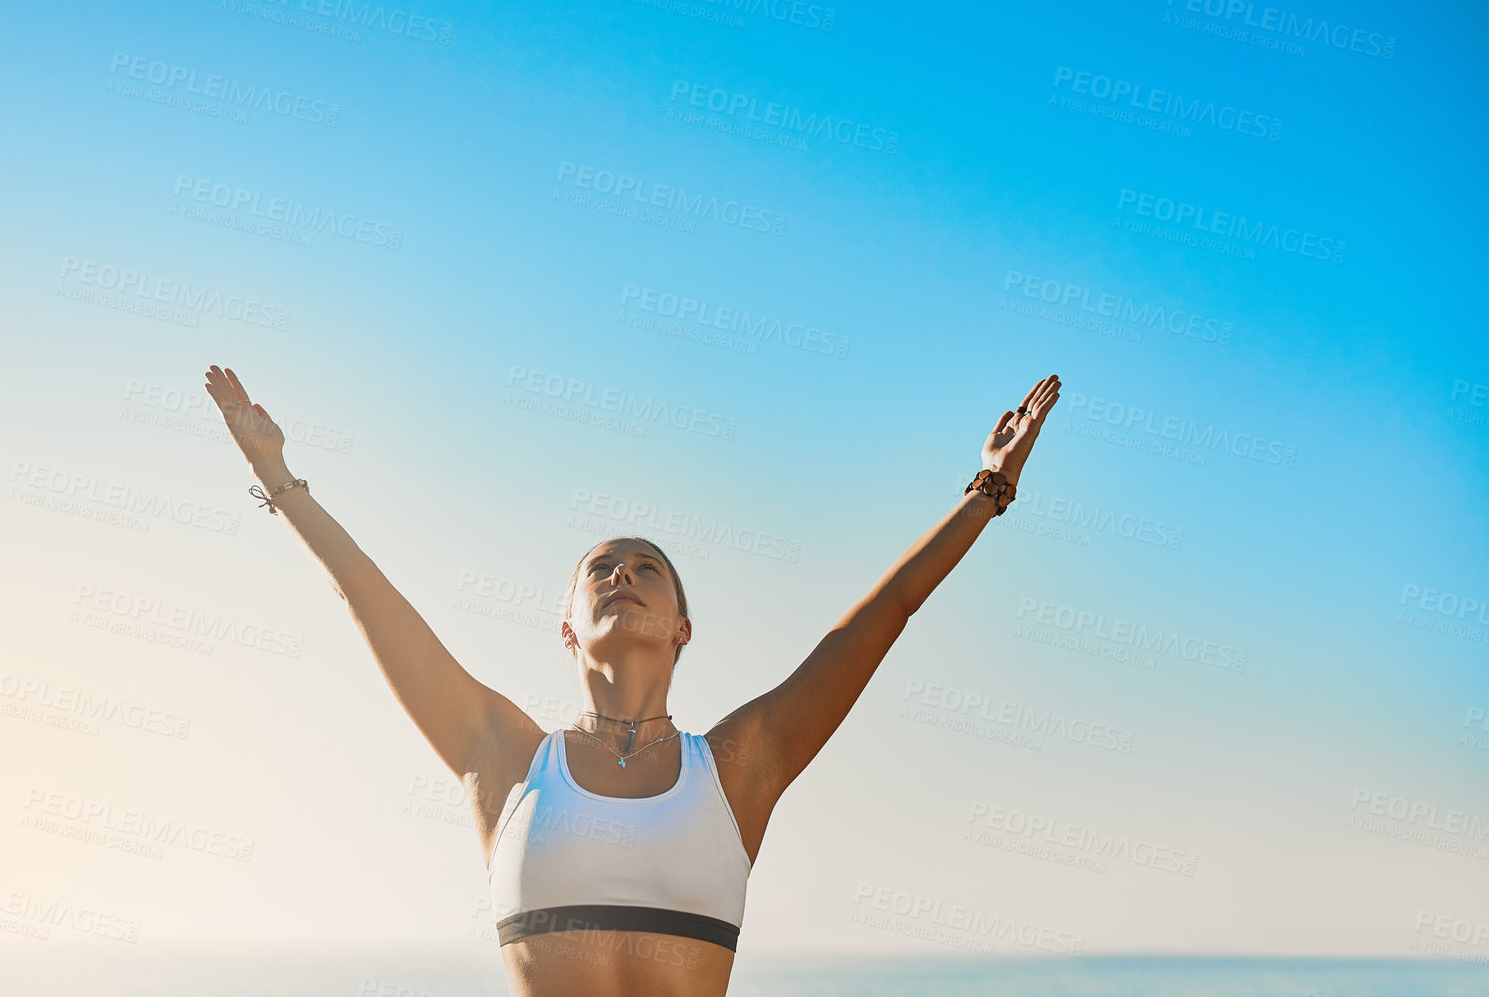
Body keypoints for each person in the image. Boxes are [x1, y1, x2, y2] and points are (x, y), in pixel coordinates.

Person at [204, 365, 1061, 997]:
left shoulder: (736, 766)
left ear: (682, 626)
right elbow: (368, 598)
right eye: (600, 568)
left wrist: (988, 488)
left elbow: (880, 617)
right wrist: (277, 477)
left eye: (646, 567)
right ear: (567, 627)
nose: (623, 574)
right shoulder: (504, 758)